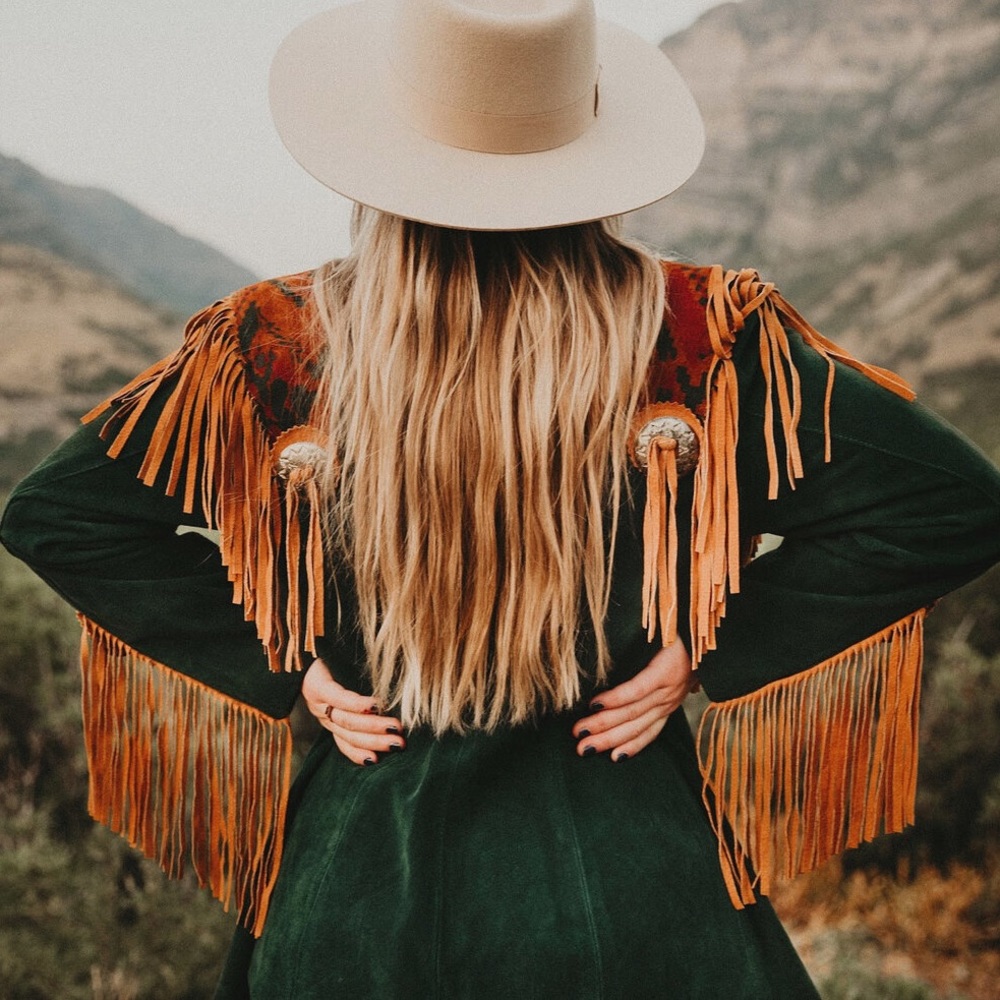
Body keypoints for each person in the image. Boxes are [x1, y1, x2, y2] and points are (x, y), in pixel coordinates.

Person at [3, 1, 1000, 997]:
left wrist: (292, 659)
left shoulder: (272, 348)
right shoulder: (707, 341)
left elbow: (62, 515)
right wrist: (705, 642)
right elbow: (952, 502)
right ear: (588, 147)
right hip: (628, 876)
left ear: (384, 149)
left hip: (358, 893)